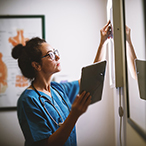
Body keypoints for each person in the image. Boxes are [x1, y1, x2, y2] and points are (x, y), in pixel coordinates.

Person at [11, 21, 112, 146]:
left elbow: (91, 78)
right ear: (36, 65)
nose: (58, 57)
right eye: (50, 55)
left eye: (55, 52)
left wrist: (102, 42)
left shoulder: (58, 89)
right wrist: (74, 115)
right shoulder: (28, 101)